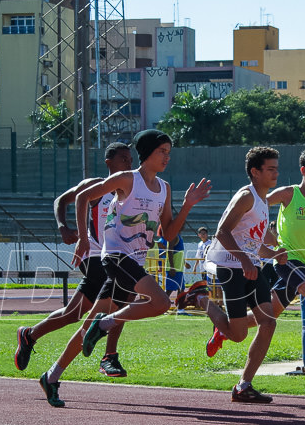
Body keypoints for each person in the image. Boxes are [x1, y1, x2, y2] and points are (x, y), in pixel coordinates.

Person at [46, 130, 211, 408]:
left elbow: (169, 234)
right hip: (116, 256)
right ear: (146, 153)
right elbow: (83, 196)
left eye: (169, 152)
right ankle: (105, 325)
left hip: (135, 261)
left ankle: (51, 376)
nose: (167, 157)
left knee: (88, 326)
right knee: (160, 302)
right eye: (162, 152)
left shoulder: (165, 188)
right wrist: (85, 239)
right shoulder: (127, 179)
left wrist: (187, 206)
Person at [209, 148, 305, 384]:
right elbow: (257, 207)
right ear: (304, 171)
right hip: (288, 262)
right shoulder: (288, 193)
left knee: (267, 316)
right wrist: (271, 242)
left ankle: (223, 330)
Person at [13, 143, 134, 376]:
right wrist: (64, 228)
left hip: (116, 254)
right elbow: (61, 200)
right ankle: (110, 356)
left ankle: (29, 335)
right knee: (123, 294)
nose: (129, 163)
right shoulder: (95, 186)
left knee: (74, 313)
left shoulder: (130, 188)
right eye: (124, 159)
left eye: (130, 159)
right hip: (94, 254)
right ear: (109, 162)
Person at [202, 146, 286, 403]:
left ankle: (243, 385)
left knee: (268, 322)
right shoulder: (246, 196)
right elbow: (222, 232)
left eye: (276, 168)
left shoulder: (262, 201)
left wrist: (272, 253)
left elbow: (252, 242)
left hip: (250, 267)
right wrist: (243, 260)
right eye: (270, 169)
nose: (276, 173)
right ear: (255, 172)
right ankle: (200, 300)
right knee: (238, 335)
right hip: (231, 268)